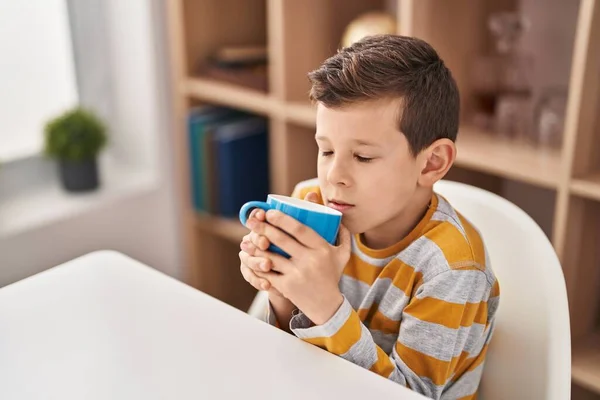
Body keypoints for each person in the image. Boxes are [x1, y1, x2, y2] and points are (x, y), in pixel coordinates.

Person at [238, 34, 500, 400]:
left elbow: (412, 395)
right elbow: (285, 362)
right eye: (326, 150)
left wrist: (324, 306)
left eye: (362, 157)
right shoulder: (310, 205)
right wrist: (282, 292)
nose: (333, 176)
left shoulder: (452, 269)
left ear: (432, 163)